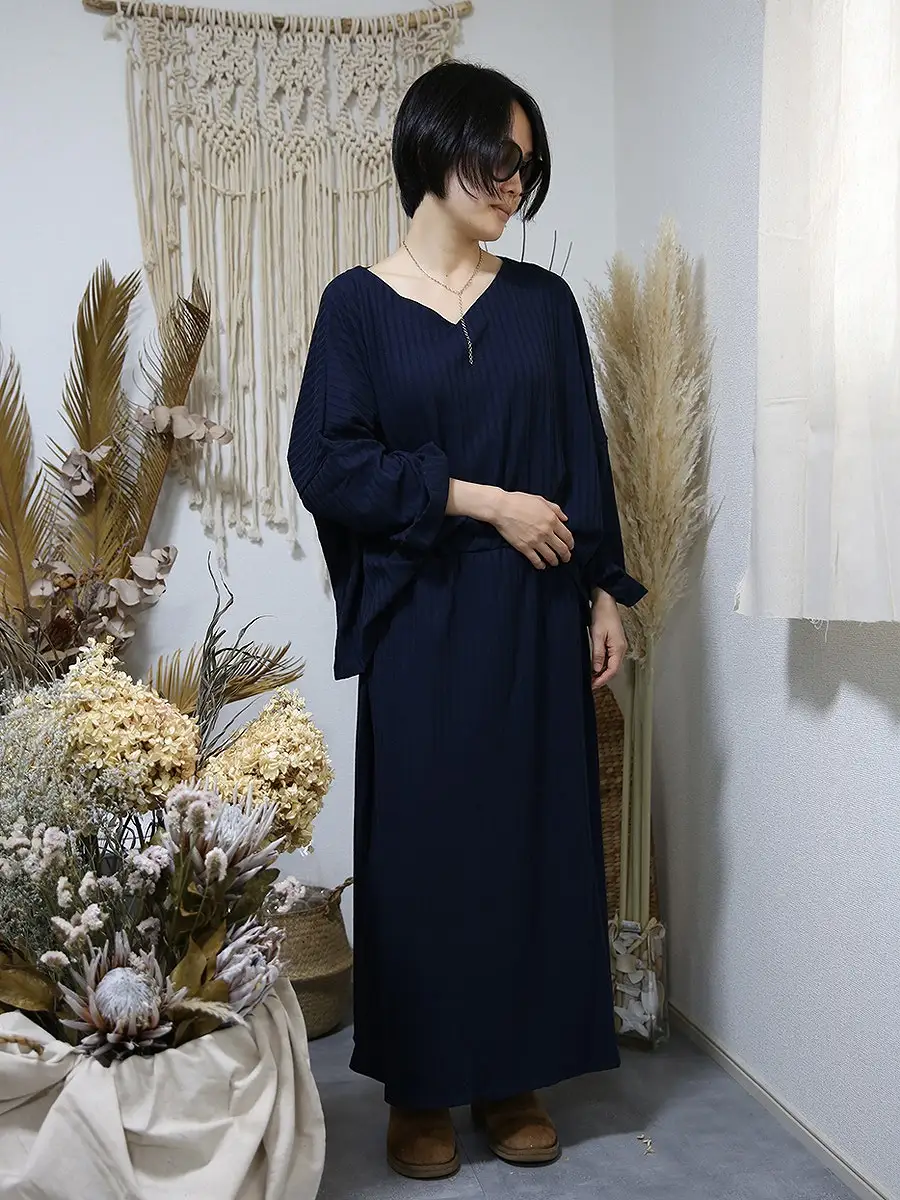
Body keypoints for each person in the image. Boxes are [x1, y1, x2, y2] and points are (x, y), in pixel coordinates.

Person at [287, 60, 646, 1182]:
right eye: (498, 158)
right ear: (436, 148)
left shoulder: (542, 305)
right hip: (423, 613)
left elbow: (582, 455)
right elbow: (326, 462)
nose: (514, 182)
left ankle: (512, 1076)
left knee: (530, 839)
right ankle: (422, 1084)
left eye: (527, 166)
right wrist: (481, 499)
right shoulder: (357, 306)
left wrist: (603, 590)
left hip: (534, 613)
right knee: (426, 849)